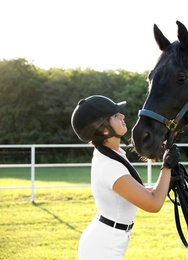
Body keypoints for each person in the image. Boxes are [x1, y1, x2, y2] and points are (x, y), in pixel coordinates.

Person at [71, 95, 180, 259]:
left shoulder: (114, 155)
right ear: (105, 130)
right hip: (103, 249)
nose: (122, 116)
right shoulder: (110, 166)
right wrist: (167, 166)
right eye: (115, 116)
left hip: (108, 241)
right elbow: (153, 204)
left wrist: (166, 183)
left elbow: (135, 194)